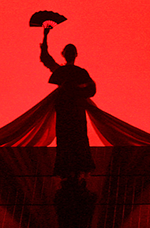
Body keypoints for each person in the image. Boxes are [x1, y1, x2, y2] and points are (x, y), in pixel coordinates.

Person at [40, 27, 96, 182]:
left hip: (72, 109)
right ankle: (71, 174)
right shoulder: (72, 72)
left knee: (73, 139)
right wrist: (45, 37)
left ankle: (74, 174)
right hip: (68, 109)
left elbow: (91, 89)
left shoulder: (75, 72)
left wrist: (74, 89)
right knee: (69, 139)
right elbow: (46, 58)